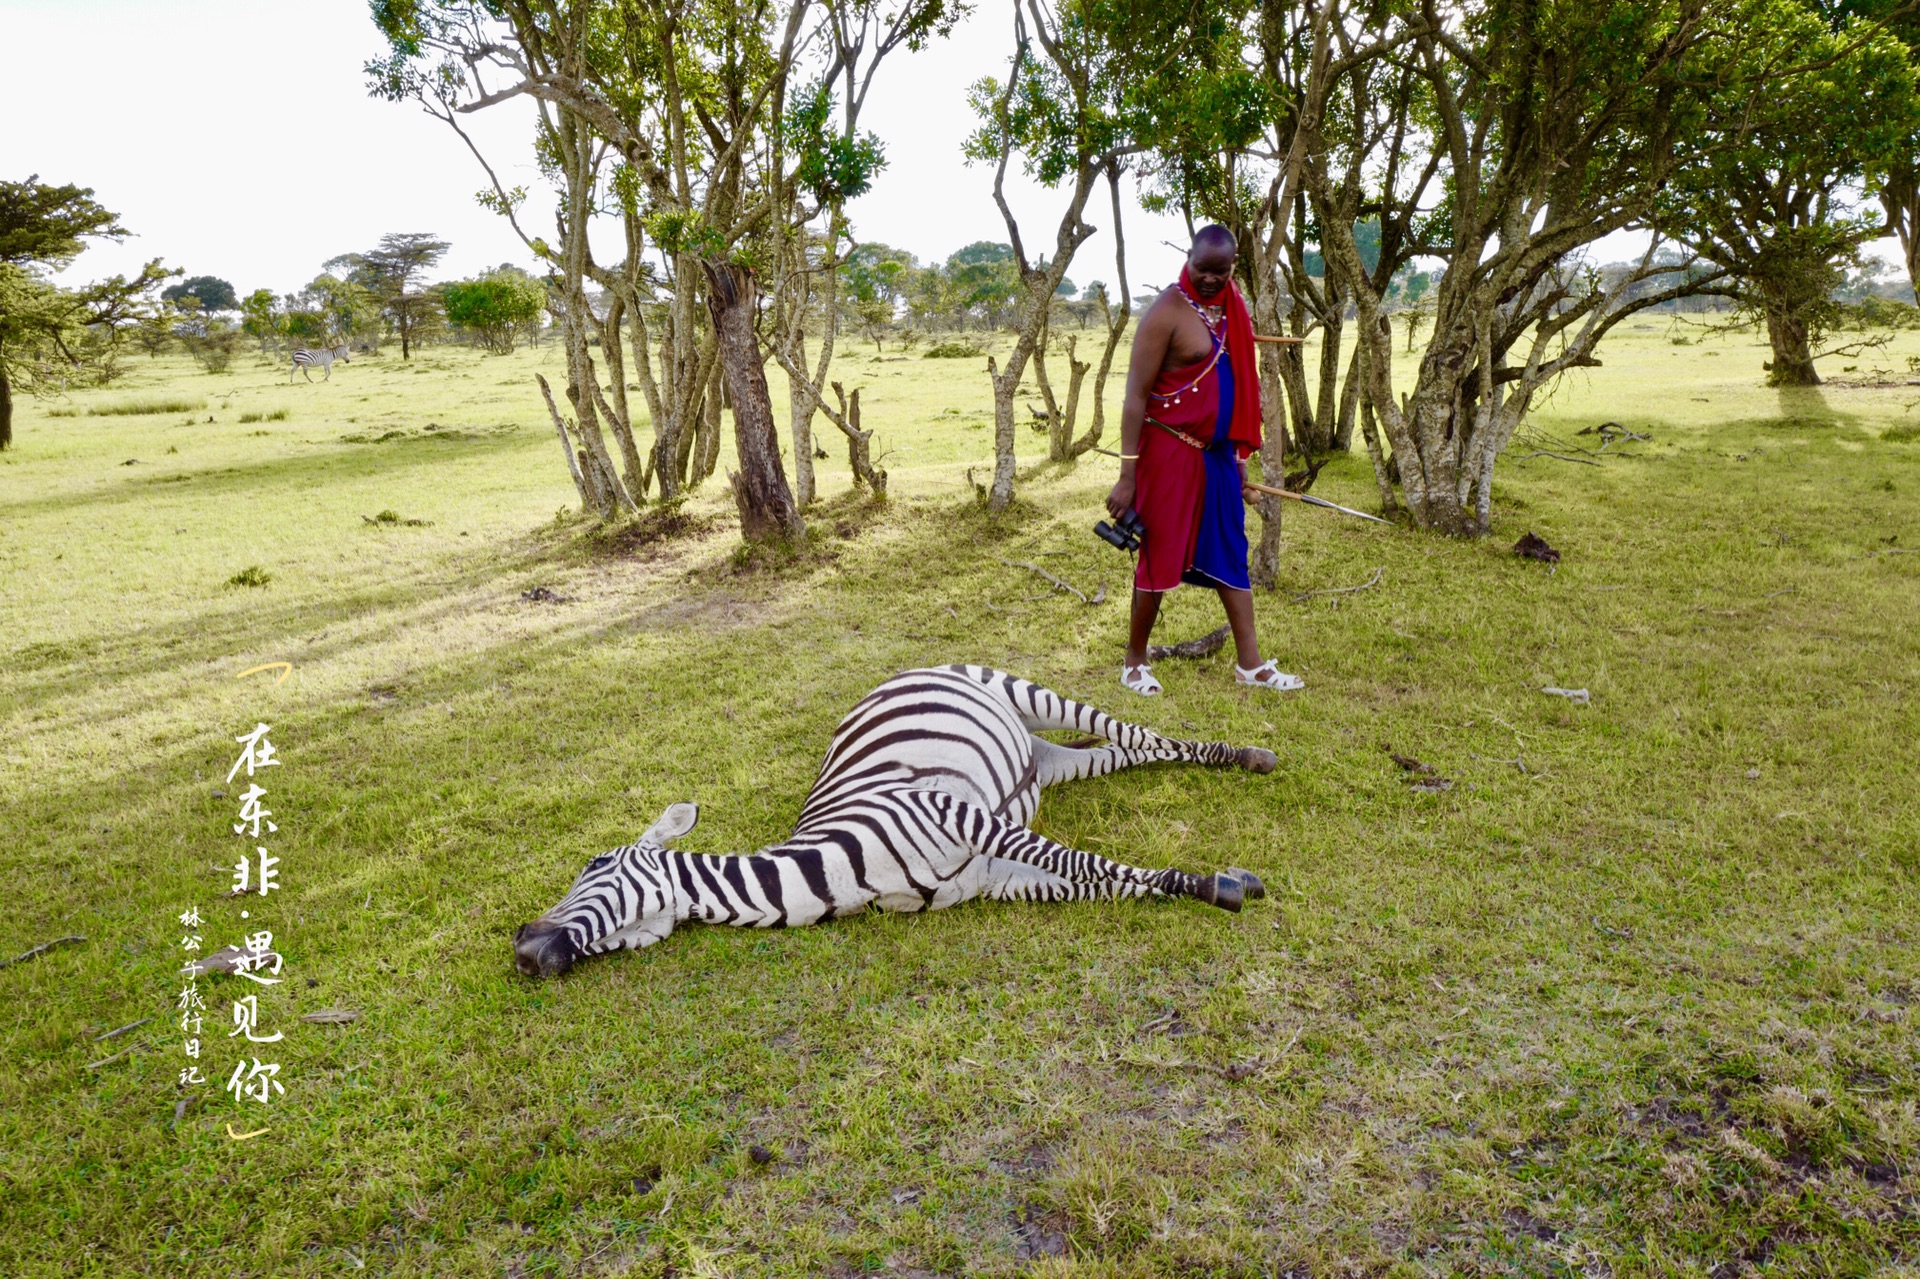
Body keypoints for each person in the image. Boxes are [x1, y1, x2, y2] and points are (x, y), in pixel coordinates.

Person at [1104, 224, 1303, 697]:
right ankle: (1135, 661)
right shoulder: (1166, 312)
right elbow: (1135, 398)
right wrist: (1126, 476)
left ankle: (1250, 665)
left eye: (1223, 270)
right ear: (1188, 259)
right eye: (1203, 269)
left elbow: (1235, 398)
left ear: (1234, 266)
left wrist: (1239, 468)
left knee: (1232, 550)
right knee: (1159, 553)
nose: (1212, 279)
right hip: (1167, 452)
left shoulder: (1231, 311)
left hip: (1216, 456)